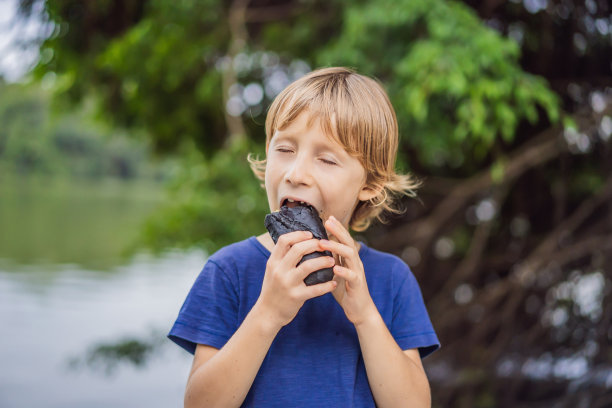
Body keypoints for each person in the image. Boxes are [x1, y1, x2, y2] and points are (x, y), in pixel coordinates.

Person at [168, 67, 440, 408]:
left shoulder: (391, 280)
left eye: (326, 159)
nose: (297, 174)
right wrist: (268, 313)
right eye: (284, 150)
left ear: (369, 184)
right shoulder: (229, 271)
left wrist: (365, 316)